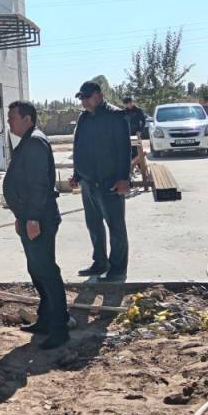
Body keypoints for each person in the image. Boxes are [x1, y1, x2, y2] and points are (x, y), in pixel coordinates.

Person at [3, 100, 69, 349]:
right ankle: (46, 319)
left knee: (47, 271)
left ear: (27, 119)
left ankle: (60, 327)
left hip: (40, 219)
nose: (8, 121)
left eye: (12, 117)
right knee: (36, 270)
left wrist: (32, 218)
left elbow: (40, 184)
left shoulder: (35, 142)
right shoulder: (27, 141)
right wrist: (20, 216)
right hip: (28, 217)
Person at [69, 80, 131, 282]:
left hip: (110, 182)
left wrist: (124, 178)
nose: (84, 102)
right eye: (81, 98)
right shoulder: (84, 118)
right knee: (94, 225)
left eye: (87, 97)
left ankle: (118, 269)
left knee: (115, 227)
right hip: (88, 182)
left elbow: (124, 149)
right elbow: (79, 147)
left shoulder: (115, 116)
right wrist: (77, 174)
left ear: (100, 95)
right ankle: (100, 262)